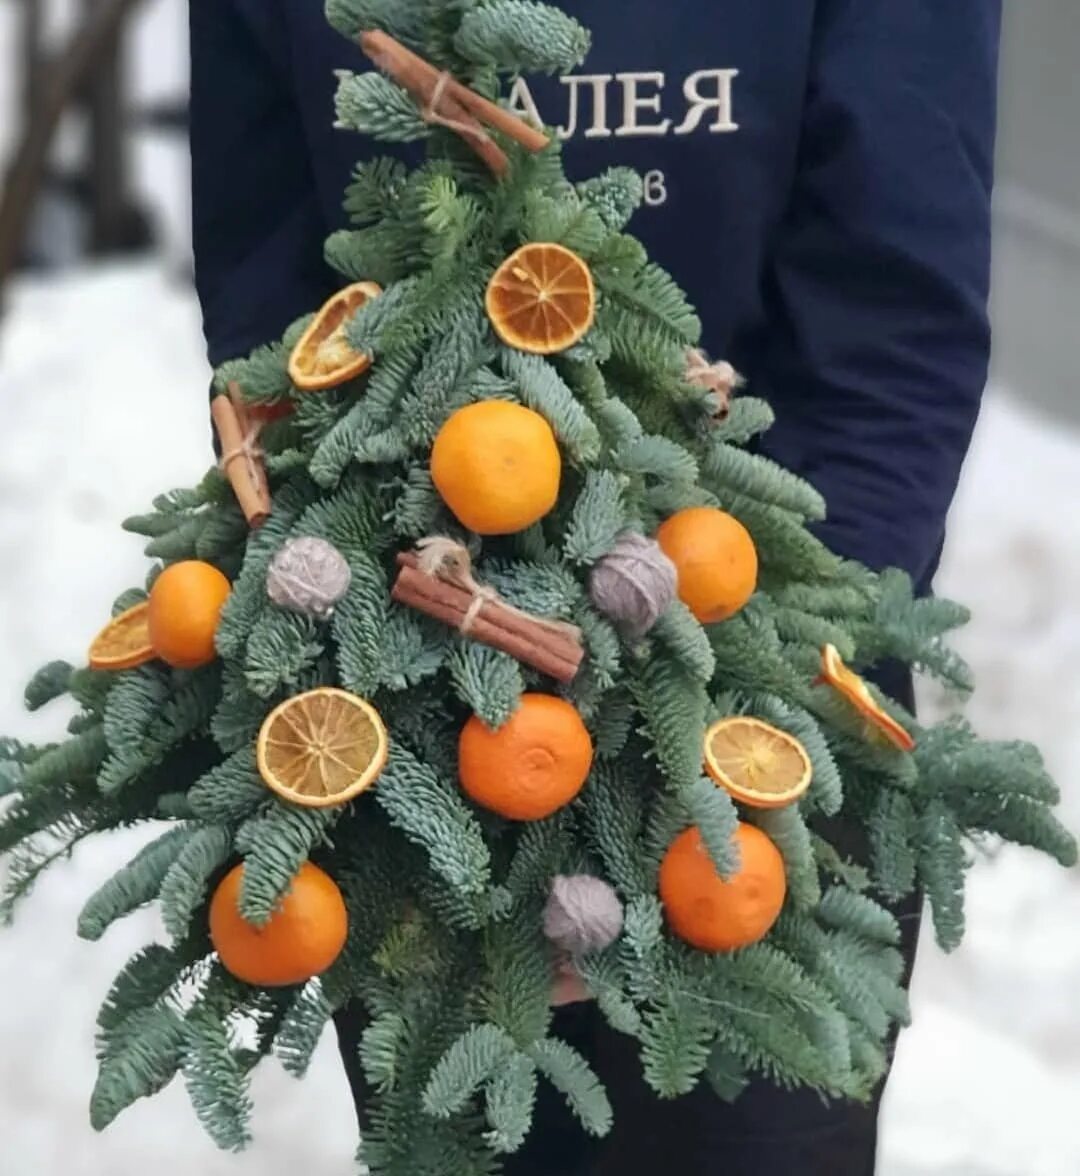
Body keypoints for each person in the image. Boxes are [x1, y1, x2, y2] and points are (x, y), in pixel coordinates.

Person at [188, 2, 1001, 1172]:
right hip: (430, 734)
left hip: (769, 758)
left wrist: (708, 698)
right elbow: (277, 312)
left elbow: (890, 334)